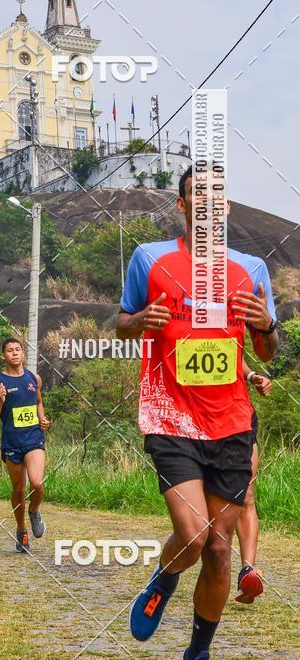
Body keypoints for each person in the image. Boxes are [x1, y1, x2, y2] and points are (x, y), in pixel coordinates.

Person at [117, 165, 278, 659]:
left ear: (225, 208)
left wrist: (267, 323)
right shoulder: (150, 259)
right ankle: (163, 579)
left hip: (230, 423)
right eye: (196, 196)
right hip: (171, 418)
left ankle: (198, 652)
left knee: (219, 549)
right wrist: (142, 319)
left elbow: (267, 351)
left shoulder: (251, 269)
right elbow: (122, 324)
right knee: (192, 538)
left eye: (217, 197)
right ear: (182, 206)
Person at [0, 337, 51, 553]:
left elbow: (39, 402)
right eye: (9, 350)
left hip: (33, 438)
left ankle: (34, 510)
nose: (14, 353)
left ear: (23, 354)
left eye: (17, 349)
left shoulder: (34, 378)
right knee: (18, 489)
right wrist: (1, 401)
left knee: (37, 483)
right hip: (12, 441)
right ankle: (22, 531)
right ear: (3, 356)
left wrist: (42, 419)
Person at [235, 362, 272, 604]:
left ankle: (247, 572)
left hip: (238, 414)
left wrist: (251, 376)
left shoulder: (231, 325)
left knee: (246, 496)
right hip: (194, 416)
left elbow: (232, 350)